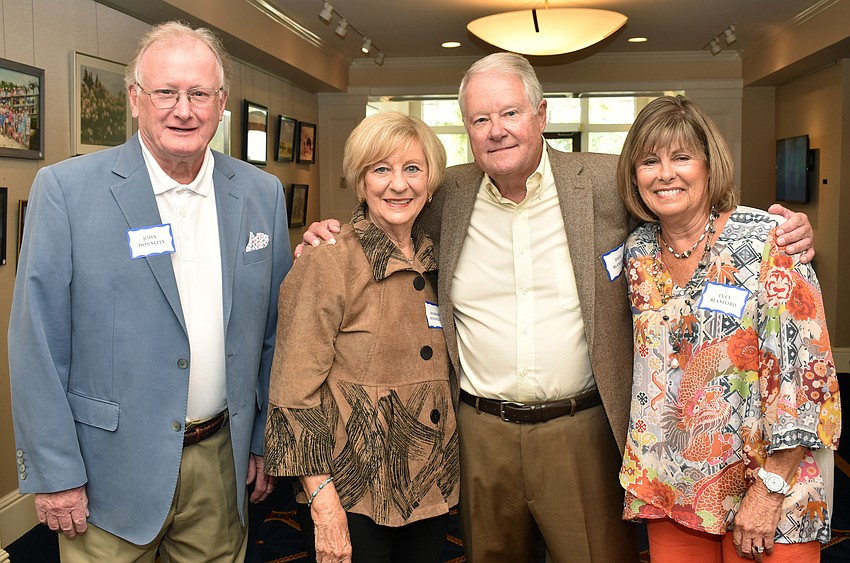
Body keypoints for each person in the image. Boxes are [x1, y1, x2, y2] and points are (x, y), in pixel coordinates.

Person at [300, 53, 814, 563]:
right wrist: (329, 235)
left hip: (581, 429)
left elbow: (687, 207)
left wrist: (785, 232)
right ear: (468, 129)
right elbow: (390, 210)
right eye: (480, 119)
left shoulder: (608, 181)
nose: (497, 130)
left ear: (540, 114)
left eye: (510, 113)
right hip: (480, 431)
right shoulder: (447, 193)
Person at [9, 21, 291, 561]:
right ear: (135, 98)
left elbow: (275, 334)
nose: (183, 110)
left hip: (221, 465)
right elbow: (36, 344)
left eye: (199, 94)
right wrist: (55, 472)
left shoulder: (262, 194)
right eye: (166, 92)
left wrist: (261, 439)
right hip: (107, 471)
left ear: (221, 104)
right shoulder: (67, 191)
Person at [616, 95, 841, 563]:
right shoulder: (637, 252)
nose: (665, 174)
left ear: (709, 165)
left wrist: (770, 488)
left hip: (768, 486)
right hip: (671, 489)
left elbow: (805, 377)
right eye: (649, 161)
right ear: (634, 175)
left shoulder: (768, 241)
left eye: (681, 157)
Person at [265, 111, 456, 563]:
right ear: (359, 181)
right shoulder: (328, 260)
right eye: (380, 169)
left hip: (431, 486)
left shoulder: (441, 258)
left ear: (431, 182)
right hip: (352, 494)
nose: (398, 184)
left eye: (413, 168)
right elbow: (293, 392)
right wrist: (322, 502)